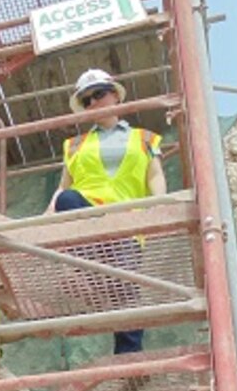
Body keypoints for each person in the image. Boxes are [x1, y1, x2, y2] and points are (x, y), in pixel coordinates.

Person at [45, 68, 167, 355]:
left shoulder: (145, 138)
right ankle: (88, 278)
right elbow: (62, 189)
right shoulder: (74, 145)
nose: (92, 103)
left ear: (115, 94)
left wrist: (157, 208)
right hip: (88, 218)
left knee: (125, 293)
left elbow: (155, 177)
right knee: (69, 200)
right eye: (86, 100)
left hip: (127, 224)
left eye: (98, 94)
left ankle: (128, 358)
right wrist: (41, 224)